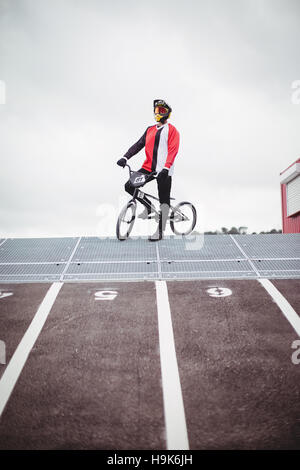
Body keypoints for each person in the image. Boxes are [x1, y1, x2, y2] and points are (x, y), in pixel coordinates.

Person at [117, 99, 180, 241]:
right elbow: (138, 145)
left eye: (162, 111)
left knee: (164, 201)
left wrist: (166, 167)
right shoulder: (150, 129)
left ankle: (160, 231)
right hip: (148, 167)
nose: (158, 113)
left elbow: (172, 151)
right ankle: (149, 207)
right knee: (129, 186)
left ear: (168, 114)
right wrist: (125, 158)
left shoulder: (172, 131)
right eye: (157, 110)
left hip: (164, 170)